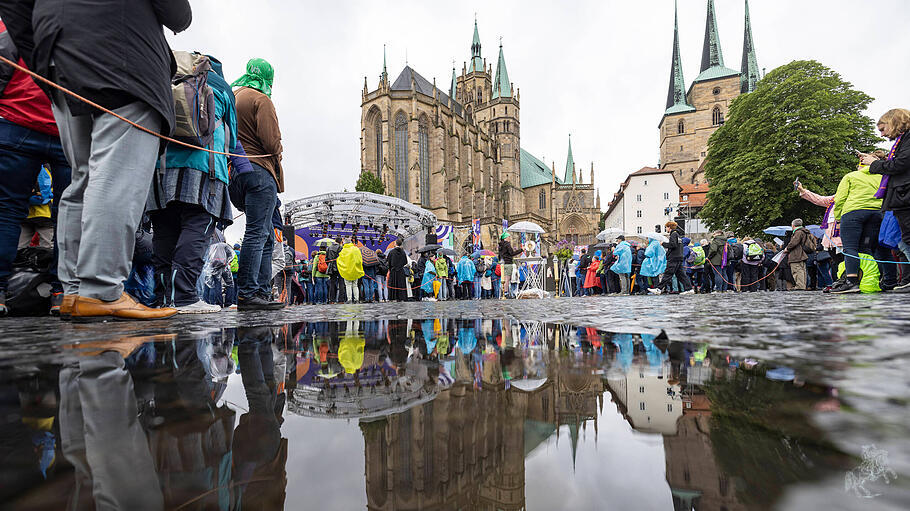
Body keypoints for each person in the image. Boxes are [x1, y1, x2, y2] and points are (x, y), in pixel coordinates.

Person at [0, 2, 191, 321]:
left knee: (82, 179)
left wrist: (40, 58)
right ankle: (101, 291)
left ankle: (75, 291)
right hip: (125, 54)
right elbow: (177, 15)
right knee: (118, 177)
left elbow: (14, 5)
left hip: (57, 56)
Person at [146, 54, 235, 314]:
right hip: (204, 169)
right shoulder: (222, 89)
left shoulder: (169, 81)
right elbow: (231, 138)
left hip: (161, 168)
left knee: (164, 230)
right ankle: (184, 297)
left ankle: (163, 297)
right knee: (197, 226)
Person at [0, 21, 73, 317]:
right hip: (68, 125)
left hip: (15, 121)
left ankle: (0, 291)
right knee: (69, 211)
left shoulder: (16, 18)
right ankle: (62, 292)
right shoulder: (78, 18)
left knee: (6, 211)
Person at [230, 57, 285, 310]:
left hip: (236, 172)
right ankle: (250, 293)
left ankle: (260, 292)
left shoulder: (234, 95)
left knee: (264, 237)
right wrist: (279, 151)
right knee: (258, 233)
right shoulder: (260, 99)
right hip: (259, 171)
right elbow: (271, 142)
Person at [829, 151, 896, 294]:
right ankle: (872, 280)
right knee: (867, 250)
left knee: (850, 248)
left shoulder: (851, 176)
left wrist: (839, 217)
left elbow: (839, 199)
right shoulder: (882, 178)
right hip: (876, 214)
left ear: (860, 166)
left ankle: (852, 281)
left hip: (853, 213)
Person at [864, 108, 910, 292]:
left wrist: (874, 164)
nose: (882, 134)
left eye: (883, 129)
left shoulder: (907, 140)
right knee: (903, 240)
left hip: (905, 194)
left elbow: (900, 164)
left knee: (906, 239)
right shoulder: (902, 141)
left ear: (895, 122)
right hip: (900, 196)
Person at [651, 221, 693, 295]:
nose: (666, 229)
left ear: (669, 227)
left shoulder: (673, 234)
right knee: (681, 275)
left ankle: (659, 289)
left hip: (674, 257)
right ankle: (689, 289)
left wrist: (663, 243)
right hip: (679, 257)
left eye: (666, 227)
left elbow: (673, 245)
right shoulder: (678, 235)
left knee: (668, 274)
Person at [783, 219, 813, 290]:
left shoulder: (798, 232)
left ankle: (799, 286)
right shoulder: (804, 231)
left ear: (793, 225)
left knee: (797, 270)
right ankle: (802, 285)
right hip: (802, 254)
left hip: (796, 254)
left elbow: (794, 242)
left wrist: (787, 248)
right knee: (802, 271)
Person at [337, 239, 364, 303]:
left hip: (347, 271)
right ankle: (356, 299)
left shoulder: (343, 251)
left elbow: (340, 260)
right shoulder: (356, 249)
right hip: (355, 270)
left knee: (348, 285)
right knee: (355, 285)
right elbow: (360, 260)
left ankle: (349, 299)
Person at [498, 232, 521, 298]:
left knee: (503, 279)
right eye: (508, 237)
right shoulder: (507, 244)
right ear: (505, 238)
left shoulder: (500, 245)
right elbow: (511, 253)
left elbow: (500, 255)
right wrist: (521, 250)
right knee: (507, 279)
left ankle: (502, 293)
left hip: (502, 264)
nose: (509, 238)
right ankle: (505, 293)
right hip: (508, 263)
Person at [387, 236, 409, 302]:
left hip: (393, 271)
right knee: (401, 285)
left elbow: (388, 261)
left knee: (394, 284)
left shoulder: (392, 252)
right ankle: (401, 297)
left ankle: (394, 297)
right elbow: (405, 262)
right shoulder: (403, 252)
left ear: (395, 244)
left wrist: (391, 268)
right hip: (401, 271)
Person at [325, 237, 343, 303]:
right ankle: (341, 300)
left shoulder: (328, 248)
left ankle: (332, 300)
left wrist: (329, 264)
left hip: (331, 267)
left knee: (332, 284)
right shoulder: (341, 248)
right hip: (340, 267)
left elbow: (326, 259)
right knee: (341, 283)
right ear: (340, 242)